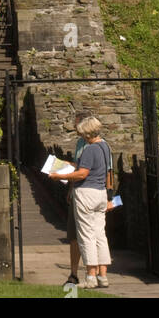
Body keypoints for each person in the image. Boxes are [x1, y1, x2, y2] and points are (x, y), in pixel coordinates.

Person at [48, 115, 114, 288]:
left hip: (86, 194)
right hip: (100, 193)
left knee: (86, 236)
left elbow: (82, 174)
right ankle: (103, 276)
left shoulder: (90, 149)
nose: (82, 136)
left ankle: (91, 277)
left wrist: (59, 176)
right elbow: (103, 171)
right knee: (100, 235)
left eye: (82, 133)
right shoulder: (105, 146)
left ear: (87, 133)